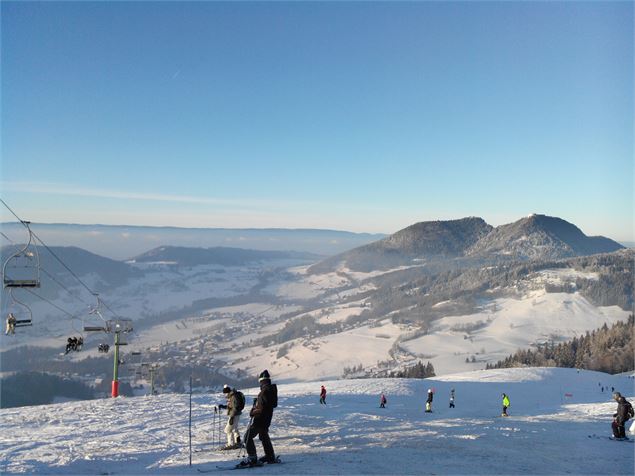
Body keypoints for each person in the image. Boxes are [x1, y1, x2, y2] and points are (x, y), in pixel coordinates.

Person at [240, 370, 278, 467]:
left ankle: (252, 458)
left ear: (262, 381)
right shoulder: (272, 390)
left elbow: (262, 408)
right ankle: (270, 456)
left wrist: (253, 411)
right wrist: (258, 405)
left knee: (247, 437)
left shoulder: (264, 392)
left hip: (260, 419)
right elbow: (270, 405)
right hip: (267, 419)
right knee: (263, 436)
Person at [218, 384, 245, 450]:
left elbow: (235, 408)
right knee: (235, 428)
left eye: (225, 393)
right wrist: (223, 406)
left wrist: (232, 417)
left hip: (234, 415)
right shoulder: (232, 396)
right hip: (236, 414)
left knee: (228, 430)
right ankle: (237, 442)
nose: (225, 395)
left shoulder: (233, 397)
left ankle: (231, 444)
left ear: (228, 392)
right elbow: (231, 406)